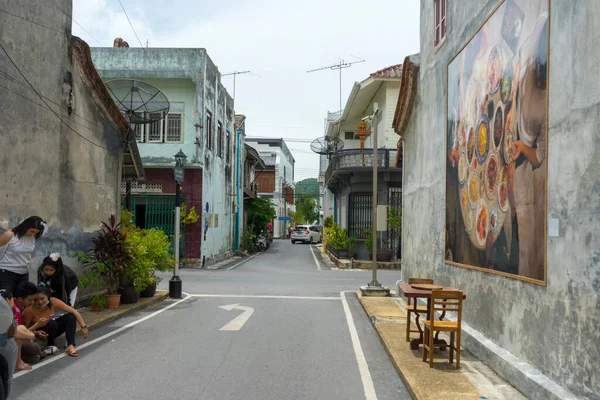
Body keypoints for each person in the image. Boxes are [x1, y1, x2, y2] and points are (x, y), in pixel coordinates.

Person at [23, 286, 88, 357]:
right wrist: (36, 332)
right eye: (36, 300)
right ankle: (48, 345)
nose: (40, 302)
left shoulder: (53, 301)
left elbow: (74, 311)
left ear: (47, 296)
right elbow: (25, 330)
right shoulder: (29, 310)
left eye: (42, 299)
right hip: (38, 334)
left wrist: (83, 327)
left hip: (52, 329)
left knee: (70, 317)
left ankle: (70, 345)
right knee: (52, 323)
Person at [0, 216, 46, 294]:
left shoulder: (33, 237)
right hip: (6, 272)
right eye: (32, 231)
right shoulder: (10, 235)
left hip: (23, 273)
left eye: (36, 232)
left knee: (21, 299)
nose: (33, 234)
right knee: (6, 300)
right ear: (26, 226)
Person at [9, 282, 50, 369]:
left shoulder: (21, 307)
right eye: (30, 300)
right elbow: (16, 333)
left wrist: (36, 332)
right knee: (33, 346)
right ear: (20, 299)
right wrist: (36, 326)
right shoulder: (13, 309)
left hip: (18, 337)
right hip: (12, 339)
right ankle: (42, 353)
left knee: (42, 339)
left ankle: (32, 355)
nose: (32, 303)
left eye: (33, 300)